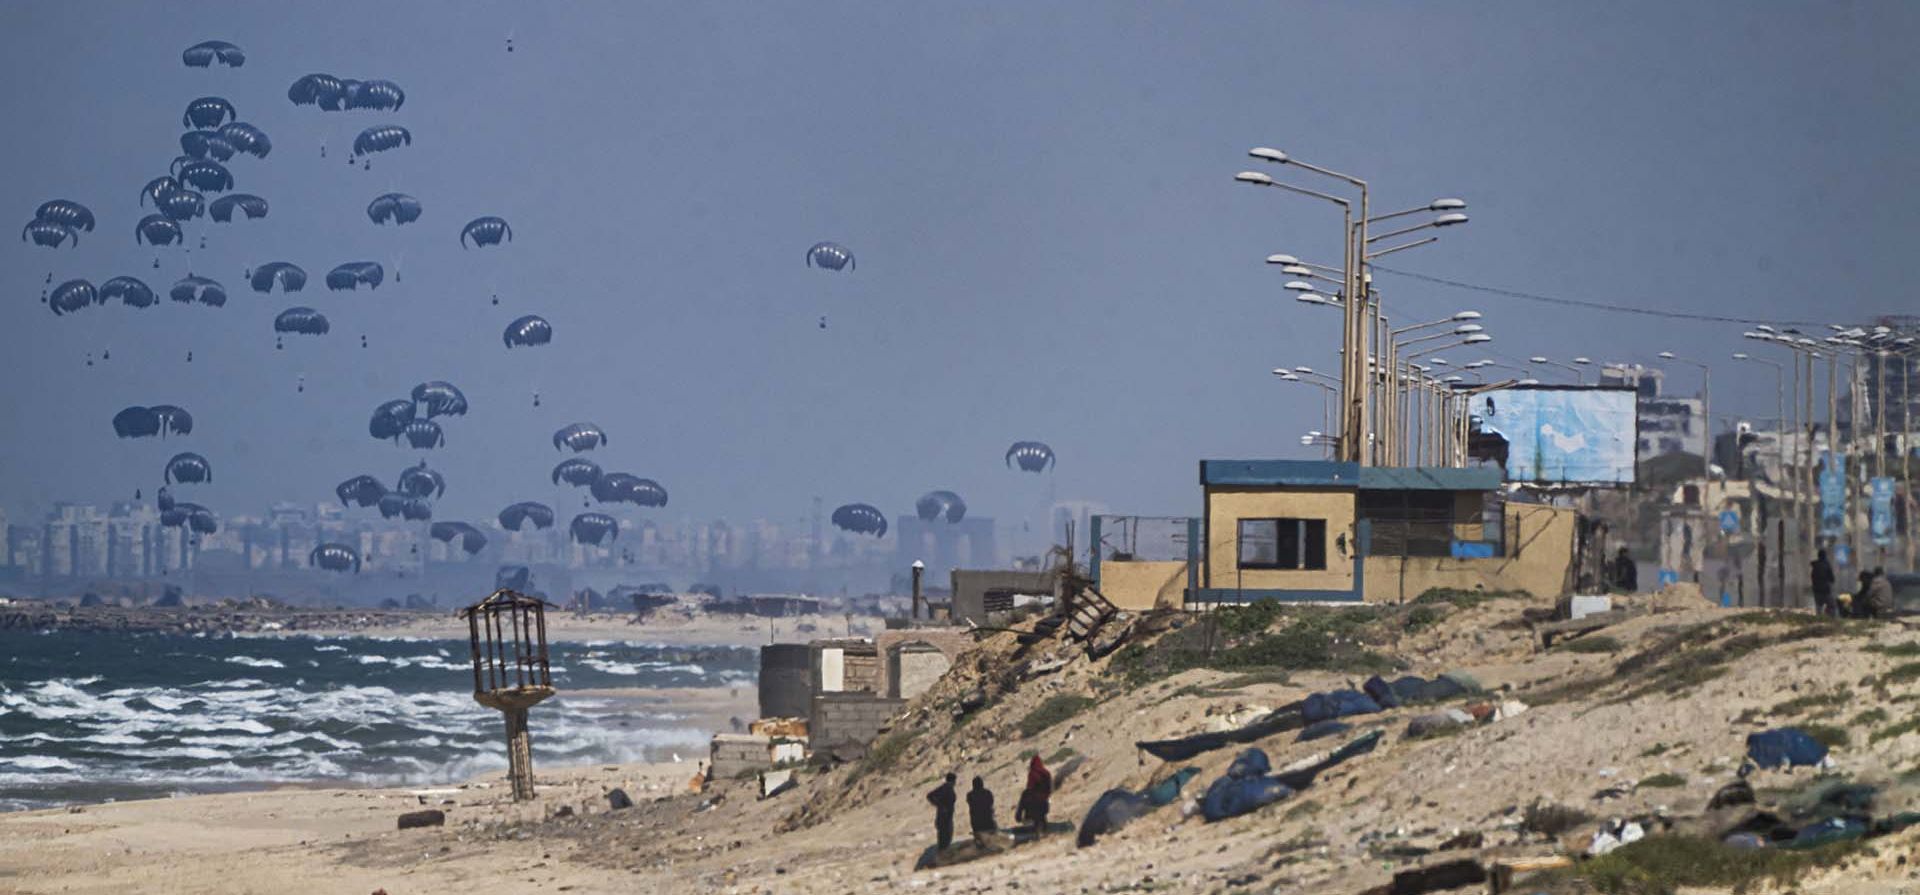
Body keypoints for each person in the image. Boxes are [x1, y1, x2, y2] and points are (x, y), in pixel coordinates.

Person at [1016, 755, 1052, 837]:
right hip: (1044, 805)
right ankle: (1044, 829)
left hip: (1034, 805)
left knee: (1025, 795)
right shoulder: (1047, 773)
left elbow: (1030, 787)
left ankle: (1019, 816)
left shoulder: (1033, 773)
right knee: (1041, 817)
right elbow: (1049, 789)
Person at [926, 773, 958, 850]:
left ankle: (943, 854)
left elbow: (930, 796)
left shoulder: (946, 788)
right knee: (945, 837)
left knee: (945, 836)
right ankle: (943, 856)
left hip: (945, 817)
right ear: (952, 781)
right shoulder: (946, 788)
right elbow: (930, 796)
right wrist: (941, 806)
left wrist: (939, 805)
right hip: (944, 818)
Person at [966, 776, 996, 844]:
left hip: (976, 823)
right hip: (988, 820)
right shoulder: (987, 793)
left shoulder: (970, 795)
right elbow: (991, 803)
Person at [1810, 549, 1837, 617]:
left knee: (1819, 607)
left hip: (1816, 591)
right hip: (1825, 591)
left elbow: (1812, 578)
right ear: (1825, 556)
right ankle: (1830, 620)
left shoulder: (1815, 566)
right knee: (1832, 606)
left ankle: (1818, 619)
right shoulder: (1826, 565)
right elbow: (1832, 579)